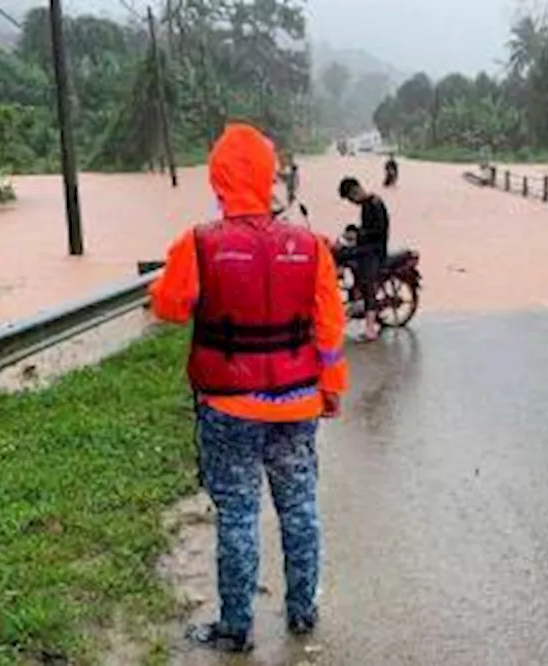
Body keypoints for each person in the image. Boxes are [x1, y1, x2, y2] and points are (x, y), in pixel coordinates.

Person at [149, 123, 348, 653]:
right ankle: (302, 610)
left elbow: (168, 307)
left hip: (227, 408)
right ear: (269, 176)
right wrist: (331, 388)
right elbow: (329, 330)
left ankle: (235, 627)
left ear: (218, 178)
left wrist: (167, 280)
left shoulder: (198, 243)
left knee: (237, 514)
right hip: (298, 402)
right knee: (300, 508)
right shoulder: (311, 246)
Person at [338, 176, 390, 342]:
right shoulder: (366, 205)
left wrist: (358, 234)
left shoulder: (375, 204)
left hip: (374, 251)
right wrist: (353, 232)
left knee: (369, 286)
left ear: (356, 190)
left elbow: (379, 231)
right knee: (340, 254)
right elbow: (367, 229)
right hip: (366, 247)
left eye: (351, 198)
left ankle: (370, 329)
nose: (352, 202)